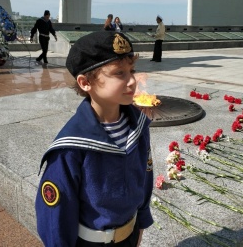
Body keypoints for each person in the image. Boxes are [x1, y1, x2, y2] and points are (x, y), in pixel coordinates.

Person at [35, 31, 154, 246]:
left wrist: (141, 223)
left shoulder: (138, 125)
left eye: (131, 70)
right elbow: (56, 216)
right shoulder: (70, 147)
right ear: (85, 82)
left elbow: (145, 176)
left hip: (130, 234)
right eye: (119, 73)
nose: (132, 81)